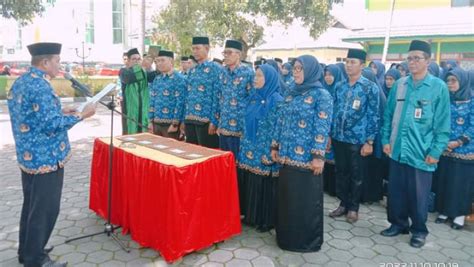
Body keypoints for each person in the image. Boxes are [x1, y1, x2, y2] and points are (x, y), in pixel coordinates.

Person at [7, 42, 96, 267]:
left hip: (29, 157)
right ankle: (36, 260)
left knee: (31, 206)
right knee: (45, 209)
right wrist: (82, 115)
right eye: (57, 61)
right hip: (45, 157)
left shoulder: (23, 81)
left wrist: (60, 109)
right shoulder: (41, 86)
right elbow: (52, 125)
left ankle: (28, 251)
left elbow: (33, 115)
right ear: (45, 62)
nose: (59, 65)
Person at [380, 40, 450, 248]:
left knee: (419, 196)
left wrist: (436, 151)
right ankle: (398, 223)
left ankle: (419, 230)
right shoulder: (400, 84)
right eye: (409, 58)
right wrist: (385, 140)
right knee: (396, 191)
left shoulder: (438, 88)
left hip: (422, 152)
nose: (412, 62)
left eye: (417, 58)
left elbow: (443, 123)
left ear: (428, 61)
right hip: (397, 149)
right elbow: (388, 115)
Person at [271, 55, 333, 252]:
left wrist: (318, 156)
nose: (296, 71)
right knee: (288, 199)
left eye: (300, 68)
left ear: (311, 71)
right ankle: (287, 238)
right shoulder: (291, 92)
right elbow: (279, 121)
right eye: (295, 68)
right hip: (287, 157)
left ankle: (306, 242)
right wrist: (275, 146)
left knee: (305, 202)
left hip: (307, 160)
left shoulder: (321, 95)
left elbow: (322, 127)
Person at [329, 49, 380, 223]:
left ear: (362, 65)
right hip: (338, 137)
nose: (348, 65)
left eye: (353, 62)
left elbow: (374, 115)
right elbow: (333, 111)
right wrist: (330, 134)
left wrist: (370, 141)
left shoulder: (369, 87)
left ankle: (353, 208)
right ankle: (343, 203)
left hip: (358, 139)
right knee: (341, 172)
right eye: (347, 61)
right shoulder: (339, 86)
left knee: (356, 174)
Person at [238, 64, 282, 232]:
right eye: (255, 75)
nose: (255, 79)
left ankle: (265, 220)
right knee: (250, 180)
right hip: (249, 146)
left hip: (265, 149)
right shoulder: (253, 97)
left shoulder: (277, 100)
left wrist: (271, 150)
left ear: (269, 79)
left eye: (259, 76)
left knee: (264, 184)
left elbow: (278, 128)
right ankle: (250, 216)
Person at [433, 67, 473, 230]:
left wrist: (458, 142)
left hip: (465, 151)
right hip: (445, 148)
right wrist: (444, 142)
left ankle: (459, 215)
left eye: (454, 81)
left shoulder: (471, 100)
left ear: (463, 82)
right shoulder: (445, 99)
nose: (450, 84)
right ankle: (444, 211)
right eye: (448, 80)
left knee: (461, 184)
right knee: (445, 181)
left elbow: (472, 125)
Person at [218, 40, 254, 157]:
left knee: (237, 164)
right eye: (225, 53)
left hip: (239, 128)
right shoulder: (223, 72)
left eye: (229, 53)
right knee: (224, 163)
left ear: (238, 54)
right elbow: (219, 97)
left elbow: (252, 100)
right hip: (223, 127)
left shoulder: (248, 73)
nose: (226, 56)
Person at [184, 36, 222, 148]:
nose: (195, 51)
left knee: (206, 156)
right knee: (191, 154)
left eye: (197, 48)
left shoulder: (215, 69)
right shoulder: (192, 71)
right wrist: (183, 120)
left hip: (206, 121)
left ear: (207, 48)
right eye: (193, 49)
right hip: (190, 119)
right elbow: (187, 96)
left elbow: (217, 96)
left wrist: (214, 121)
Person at [148, 50, 187, 139]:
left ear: (171, 61)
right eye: (157, 61)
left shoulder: (179, 79)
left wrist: (175, 123)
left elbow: (180, 102)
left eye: (162, 60)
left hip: (170, 125)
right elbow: (152, 100)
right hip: (156, 123)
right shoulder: (157, 79)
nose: (159, 63)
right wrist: (150, 121)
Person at [322, 64, 345, 197]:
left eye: (331, 75)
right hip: (323, 129)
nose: (328, 78)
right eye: (326, 75)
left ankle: (335, 189)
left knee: (334, 159)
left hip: (335, 130)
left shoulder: (339, 90)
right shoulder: (322, 90)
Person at [121, 48, 150, 134]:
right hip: (130, 111)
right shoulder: (123, 72)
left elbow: (153, 76)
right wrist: (141, 67)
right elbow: (129, 78)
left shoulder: (144, 72)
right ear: (128, 61)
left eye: (138, 59)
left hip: (143, 109)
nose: (137, 61)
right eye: (134, 59)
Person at [118, 52, 130, 134]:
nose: (126, 61)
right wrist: (119, 96)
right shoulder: (122, 71)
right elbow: (118, 84)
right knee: (125, 119)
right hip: (124, 99)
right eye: (124, 59)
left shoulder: (136, 70)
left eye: (127, 59)